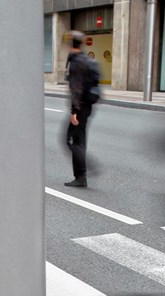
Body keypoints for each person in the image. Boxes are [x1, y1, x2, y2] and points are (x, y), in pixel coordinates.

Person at [64, 31, 100, 188]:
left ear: (72, 45)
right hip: (87, 106)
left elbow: (76, 89)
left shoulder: (77, 62)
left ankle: (82, 175)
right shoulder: (86, 60)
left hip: (80, 107)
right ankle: (82, 174)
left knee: (71, 140)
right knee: (78, 140)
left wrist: (74, 112)